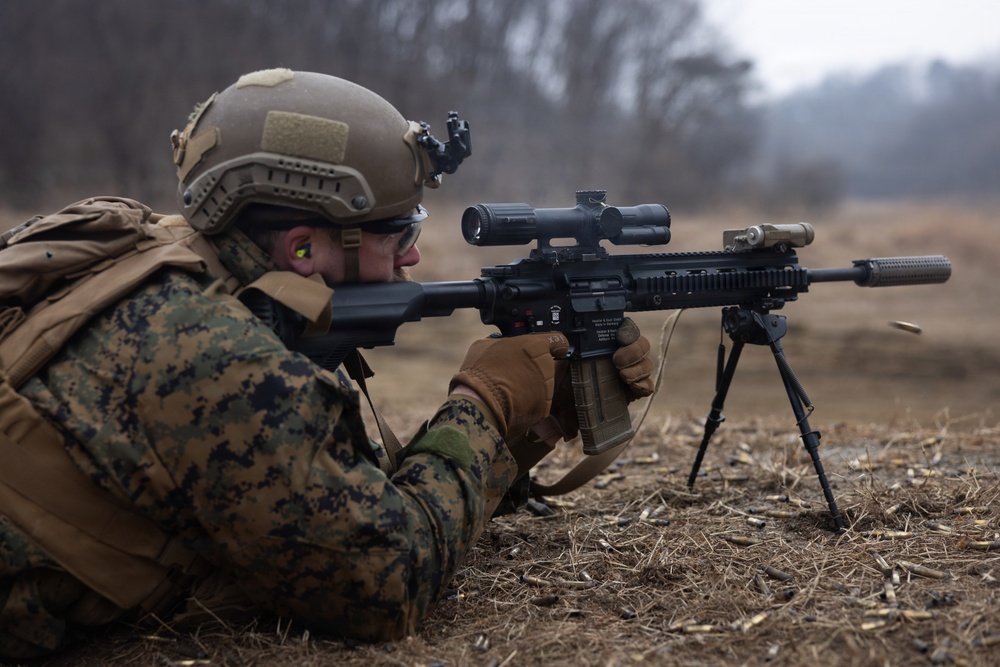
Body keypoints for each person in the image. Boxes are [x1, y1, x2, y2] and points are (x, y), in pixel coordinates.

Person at [0, 68, 653, 659]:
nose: (412, 257)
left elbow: (344, 498)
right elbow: (385, 582)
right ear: (303, 248)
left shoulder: (182, 261)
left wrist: (537, 418)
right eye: (400, 233)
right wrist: (486, 401)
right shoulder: (218, 354)